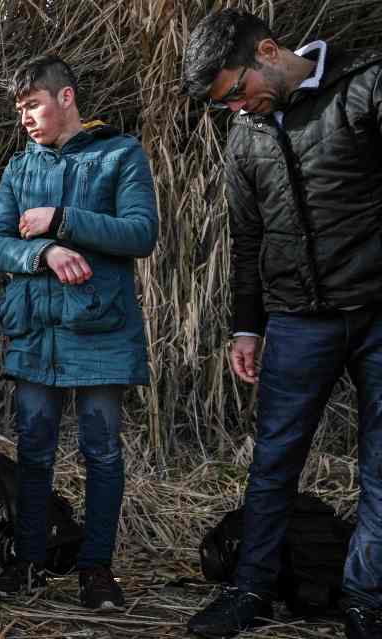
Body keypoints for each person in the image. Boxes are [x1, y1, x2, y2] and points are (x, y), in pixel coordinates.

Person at [181, 10, 382, 639]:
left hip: (378, 313)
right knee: (272, 462)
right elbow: (247, 239)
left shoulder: (367, 85)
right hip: (296, 321)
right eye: (225, 104)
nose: (237, 108)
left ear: (269, 50)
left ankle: (365, 601)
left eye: (238, 90)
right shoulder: (247, 134)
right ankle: (251, 590)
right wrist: (248, 327)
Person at [0, 55, 159, 609]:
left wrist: (62, 220)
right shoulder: (18, 169)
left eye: (32, 104)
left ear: (66, 98)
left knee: (102, 452)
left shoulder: (120, 154)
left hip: (100, 330)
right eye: (19, 109)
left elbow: (140, 233)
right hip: (34, 332)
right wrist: (45, 250)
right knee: (34, 451)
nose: (25, 118)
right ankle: (30, 563)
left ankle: (97, 570)